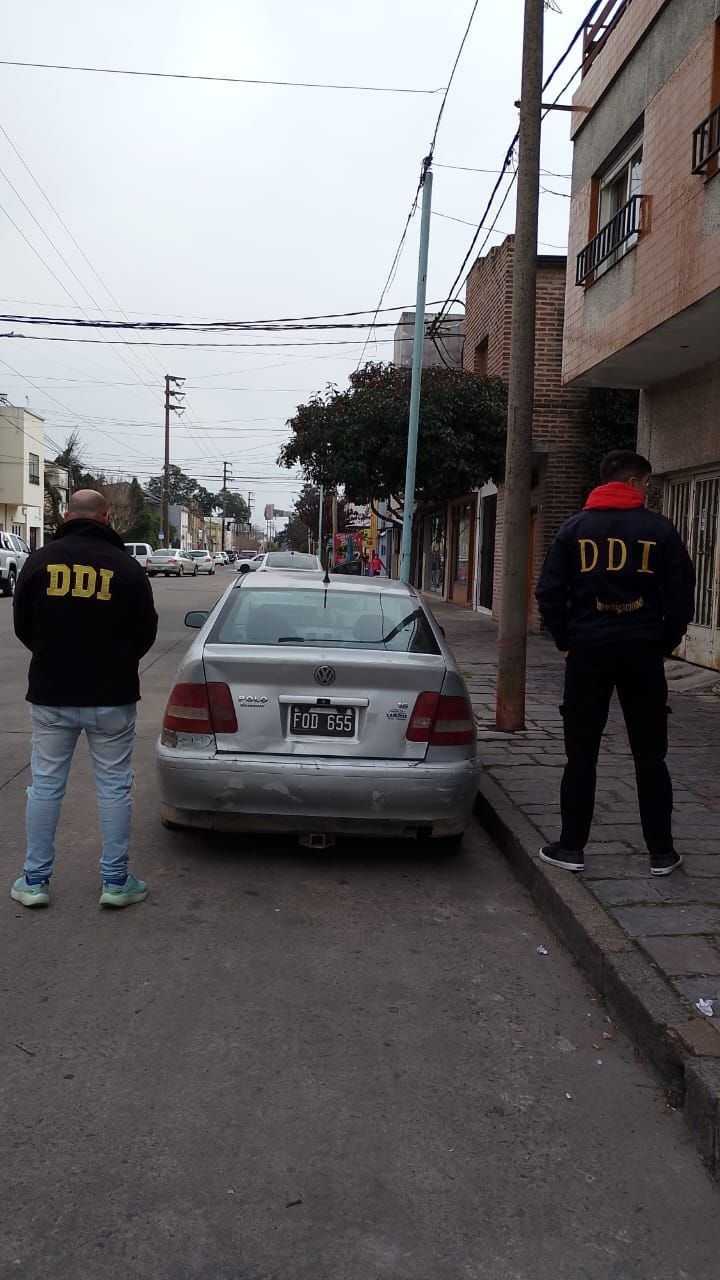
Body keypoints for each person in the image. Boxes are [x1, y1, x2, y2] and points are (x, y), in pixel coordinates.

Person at [535, 450, 695, 877]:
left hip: (587, 654)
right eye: (646, 483)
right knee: (650, 755)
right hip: (642, 654)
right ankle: (661, 853)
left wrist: (566, 640)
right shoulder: (660, 530)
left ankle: (571, 847)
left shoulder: (573, 530)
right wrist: (663, 642)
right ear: (635, 481)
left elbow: (548, 592)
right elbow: (681, 596)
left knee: (581, 754)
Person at [12, 490, 158, 908]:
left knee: (45, 785)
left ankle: (34, 881)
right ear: (106, 518)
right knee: (114, 788)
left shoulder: (39, 562)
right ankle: (115, 882)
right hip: (111, 696)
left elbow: (23, 625)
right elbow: (145, 632)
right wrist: (118, 661)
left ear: (66, 515)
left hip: (51, 693)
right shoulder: (127, 568)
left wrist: (50, 655)